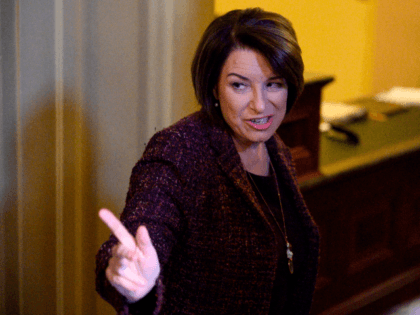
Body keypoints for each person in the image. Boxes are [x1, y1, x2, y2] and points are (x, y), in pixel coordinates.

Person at [96, 7, 320, 315]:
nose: (260, 104)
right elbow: (146, 228)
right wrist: (135, 279)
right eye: (239, 85)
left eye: (274, 83)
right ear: (214, 87)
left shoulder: (275, 147)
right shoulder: (178, 150)